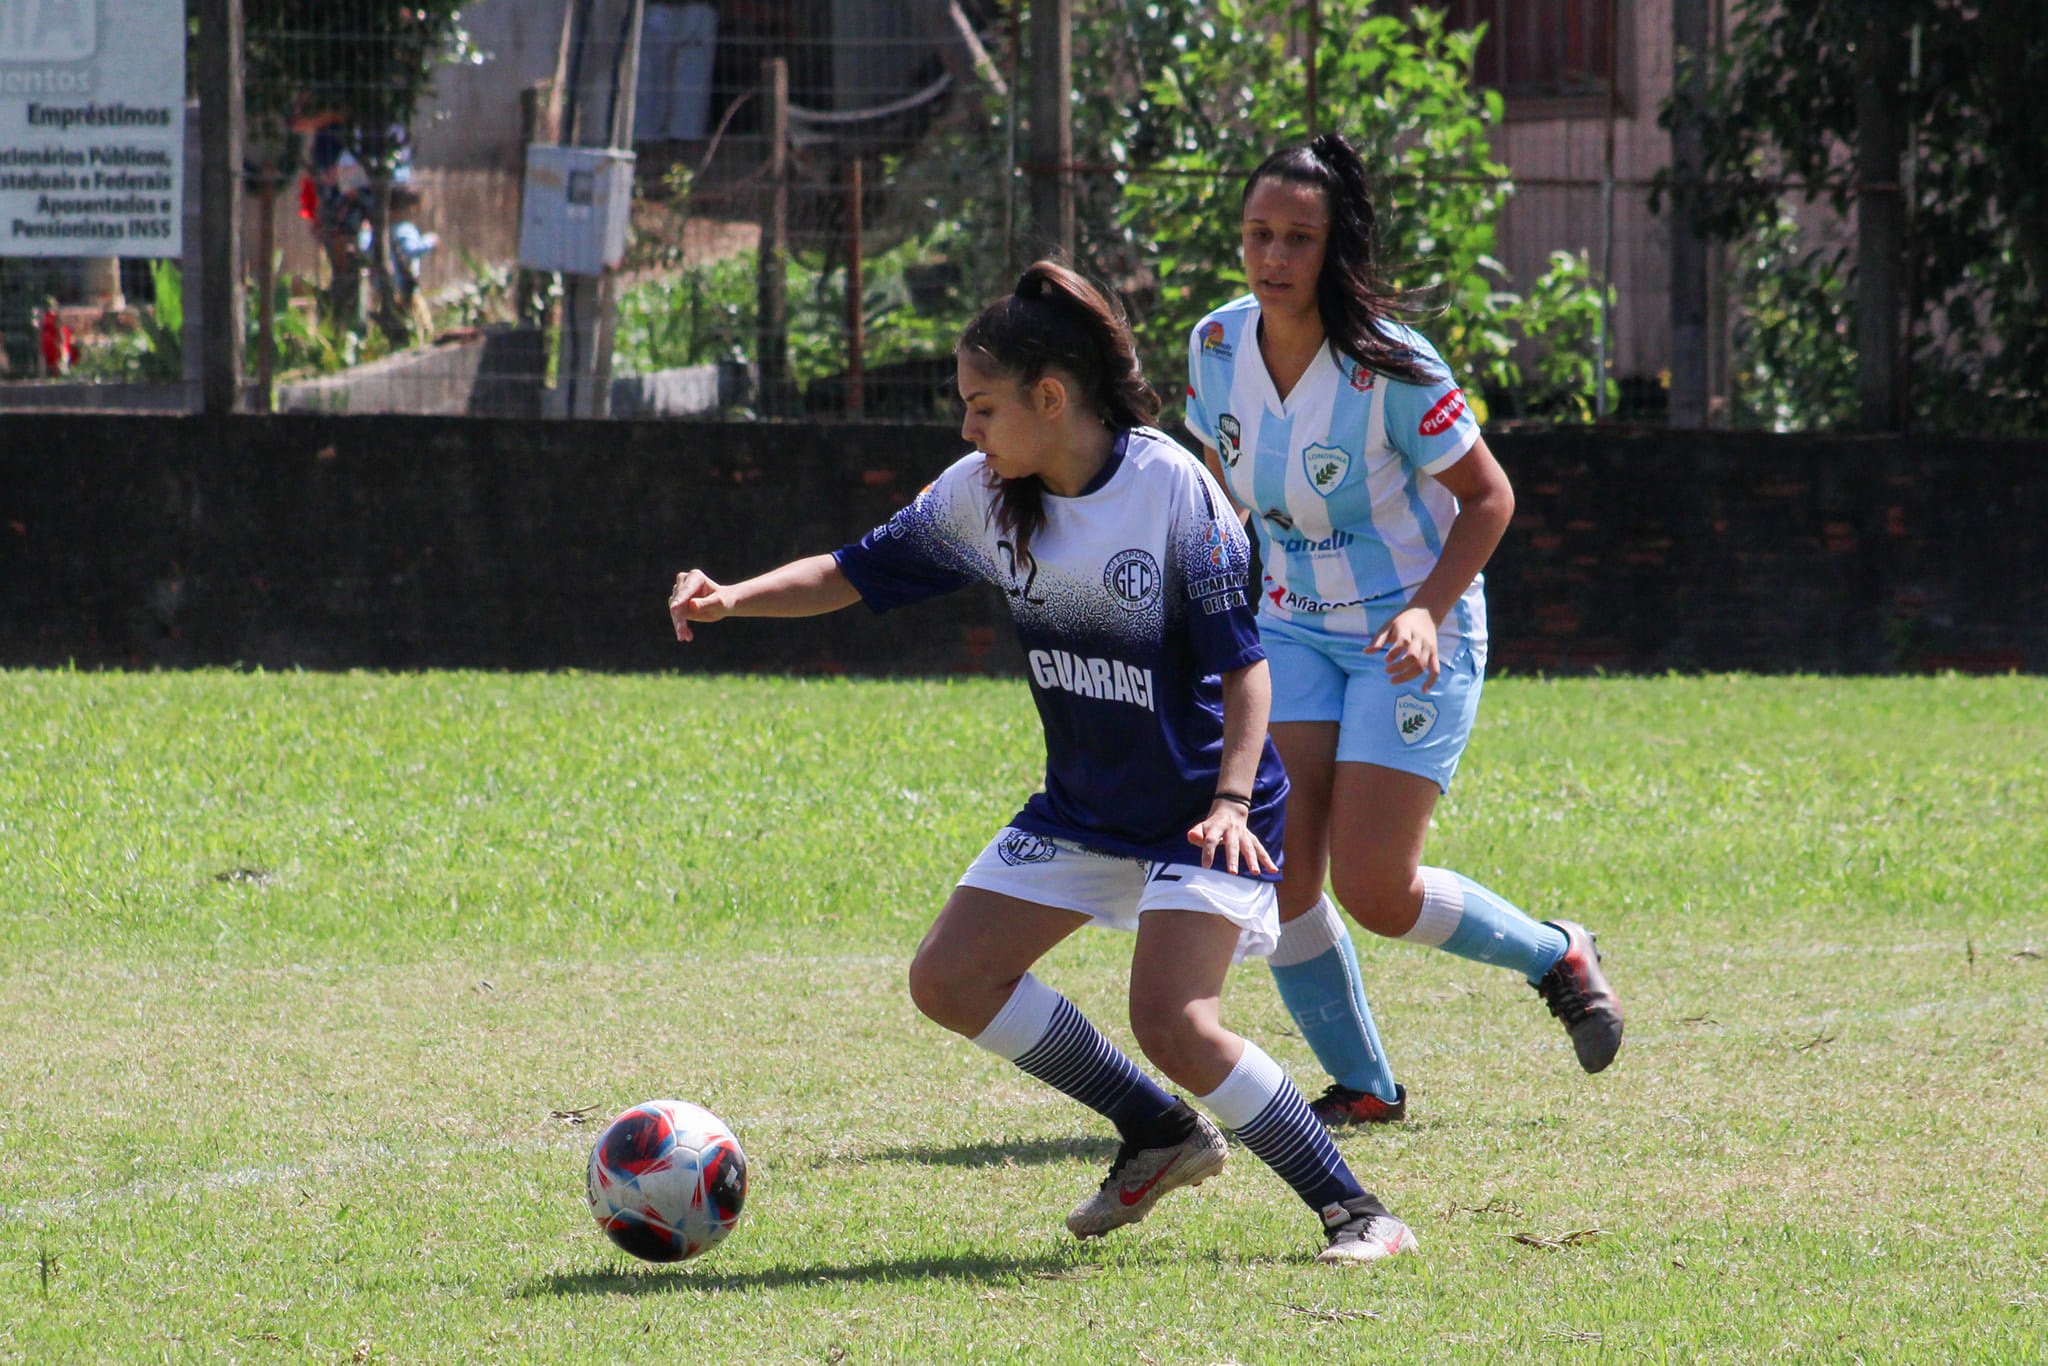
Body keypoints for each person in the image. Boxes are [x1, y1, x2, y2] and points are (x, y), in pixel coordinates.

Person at [669, 261, 1418, 1265]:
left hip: (1206, 811)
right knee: (949, 977)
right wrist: (734, 596)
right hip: (1086, 807)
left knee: (1173, 1019)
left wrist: (1234, 799)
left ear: (1050, 398)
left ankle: (1357, 1209)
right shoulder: (982, 495)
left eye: (982, 408)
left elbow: (1247, 674)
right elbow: (849, 571)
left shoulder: (1170, 491)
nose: (969, 431)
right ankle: (1157, 1130)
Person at [1183, 133, 1625, 1128]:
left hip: (1411, 633)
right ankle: (1364, 1088)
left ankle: (1553, 953)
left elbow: (1487, 497)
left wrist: (1425, 610)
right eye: (1258, 234)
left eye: (1297, 237)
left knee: (1376, 889)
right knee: (1283, 873)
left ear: (1333, 248)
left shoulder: (1391, 362)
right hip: (1290, 629)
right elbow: (1221, 490)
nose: (1273, 256)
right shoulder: (1214, 347)